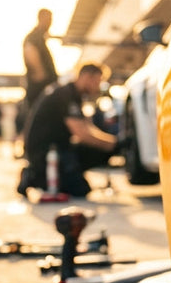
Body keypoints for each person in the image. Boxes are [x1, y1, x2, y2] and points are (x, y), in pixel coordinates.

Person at [16, 64, 118, 197]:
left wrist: (110, 141)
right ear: (87, 77)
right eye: (98, 81)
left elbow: (87, 128)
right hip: (45, 154)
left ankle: (59, 174)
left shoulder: (72, 94)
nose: (98, 86)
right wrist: (115, 144)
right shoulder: (65, 94)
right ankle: (34, 176)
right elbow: (81, 133)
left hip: (57, 149)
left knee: (98, 152)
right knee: (80, 190)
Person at [16, 8, 58, 153]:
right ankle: (34, 151)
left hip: (41, 87)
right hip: (39, 88)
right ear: (42, 18)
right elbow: (31, 55)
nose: (51, 23)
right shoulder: (34, 37)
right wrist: (43, 81)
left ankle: (37, 150)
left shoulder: (40, 37)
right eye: (49, 19)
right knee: (38, 120)